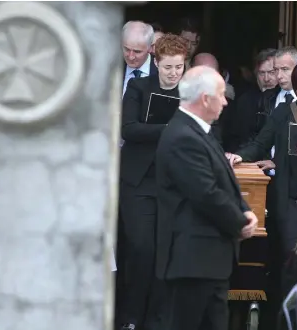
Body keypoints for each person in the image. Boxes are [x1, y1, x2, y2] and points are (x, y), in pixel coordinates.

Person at [155, 65, 258, 330]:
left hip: (209, 261)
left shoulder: (201, 131)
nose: (225, 101)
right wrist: (240, 222)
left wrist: (244, 209)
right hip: (192, 261)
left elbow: (225, 180)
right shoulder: (182, 136)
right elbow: (206, 193)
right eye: (221, 95)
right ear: (205, 99)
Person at [226, 60, 297, 304]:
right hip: (290, 198)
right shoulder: (283, 112)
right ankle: (289, 309)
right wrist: (240, 155)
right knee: (292, 254)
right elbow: (260, 143)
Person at [117, 33, 189, 330]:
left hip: (173, 184)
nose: (174, 73)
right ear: (156, 62)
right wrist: (170, 128)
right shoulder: (138, 86)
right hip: (138, 182)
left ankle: (158, 321)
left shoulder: (190, 92)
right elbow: (129, 128)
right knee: (141, 249)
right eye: (168, 66)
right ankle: (130, 318)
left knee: (166, 253)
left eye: (179, 67)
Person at [121, 21, 158, 95]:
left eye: (137, 52)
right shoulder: (111, 68)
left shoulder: (162, 71)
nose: (131, 57)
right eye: (127, 49)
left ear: (150, 48)